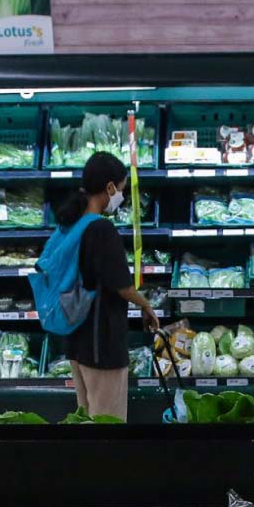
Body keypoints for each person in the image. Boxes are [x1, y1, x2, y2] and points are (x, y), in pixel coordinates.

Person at [48, 152, 158, 421]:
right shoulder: (101, 229)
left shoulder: (71, 223)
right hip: (102, 343)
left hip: (77, 340)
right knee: (108, 424)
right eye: (120, 190)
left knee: (86, 418)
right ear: (109, 187)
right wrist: (146, 305)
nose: (120, 197)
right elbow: (121, 285)